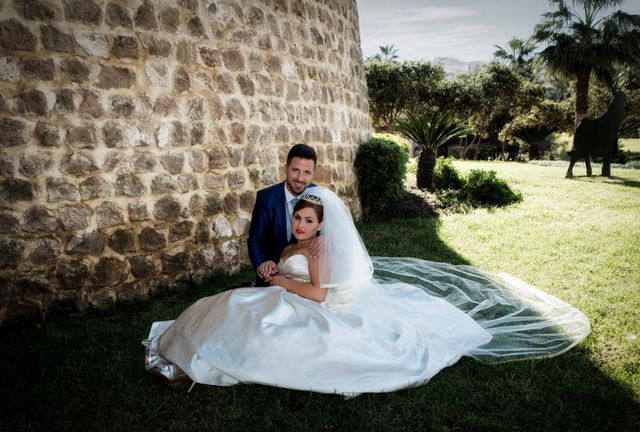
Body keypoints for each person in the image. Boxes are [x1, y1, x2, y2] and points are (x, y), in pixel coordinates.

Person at [144, 187, 590, 395]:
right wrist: (269, 266)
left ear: (322, 225)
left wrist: (277, 279)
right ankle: (185, 349)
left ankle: (199, 361)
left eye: (308, 221)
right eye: (297, 219)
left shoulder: (318, 250)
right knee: (228, 305)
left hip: (310, 304)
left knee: (261, 331)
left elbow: (318, 295)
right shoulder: (292, 244)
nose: (301, 225)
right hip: (283, 292)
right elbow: (281, 268)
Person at [248, 143, 318, 286]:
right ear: (285, 168)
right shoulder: (265, 198)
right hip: (271, 278)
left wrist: (324, 240)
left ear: (313, 173)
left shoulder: (319, 197)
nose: (300, 178)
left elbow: (329, 232)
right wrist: (262, 265)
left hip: (307, 278)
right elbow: (255, 239)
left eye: (307, 173)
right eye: (295, 170)